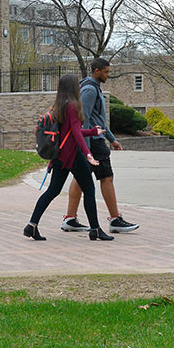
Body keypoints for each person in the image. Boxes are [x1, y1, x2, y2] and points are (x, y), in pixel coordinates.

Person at [23, 74, 114, 241]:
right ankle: (95, 229)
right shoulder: (72, 106)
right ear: (73, 87)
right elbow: (77, 135)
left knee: (53, 190)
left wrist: (93, 131)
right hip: (73, 156)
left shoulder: (59, 105)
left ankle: (31, 225)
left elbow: (72, 132)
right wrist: (88, 154)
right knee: (89, 190)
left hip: (59, 155)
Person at [62, 58, 139, 234]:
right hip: (94, 143)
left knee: (80, 179)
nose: (108, 75)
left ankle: (70, 219)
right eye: (106, 72)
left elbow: (99, 120)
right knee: (107, 177)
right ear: (96, 71)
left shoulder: (91, 88)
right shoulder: (89, 89)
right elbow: (85, 118)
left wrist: (112, 139)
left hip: (94, 141)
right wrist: (87, 149)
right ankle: (115, 220)